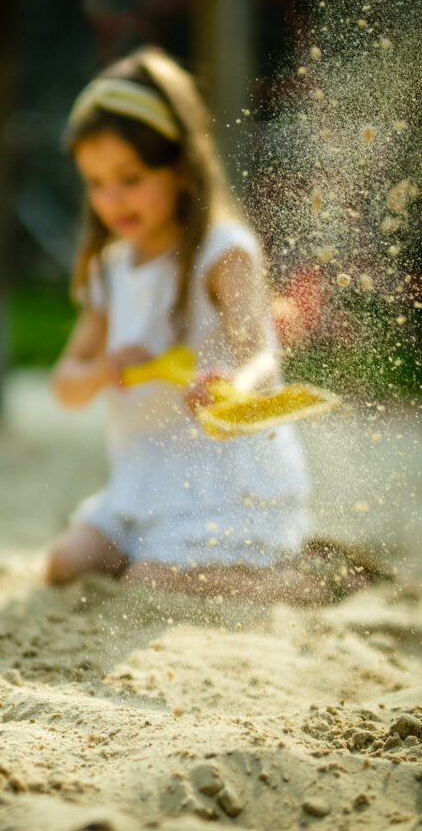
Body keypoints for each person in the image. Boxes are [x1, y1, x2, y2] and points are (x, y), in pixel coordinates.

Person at [44, 46, 354, 604]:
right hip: (142, 484)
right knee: (66, 563)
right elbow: (65, 385)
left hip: (222, 486)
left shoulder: (221, 251)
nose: (111, 199)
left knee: (149, 583)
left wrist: (231, 385)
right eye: (95, 182)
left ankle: (312, 584)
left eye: (130, 178)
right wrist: (106, 368)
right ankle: (170, 551)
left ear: (181, 169)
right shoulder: (111, 268)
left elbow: (261, 353)